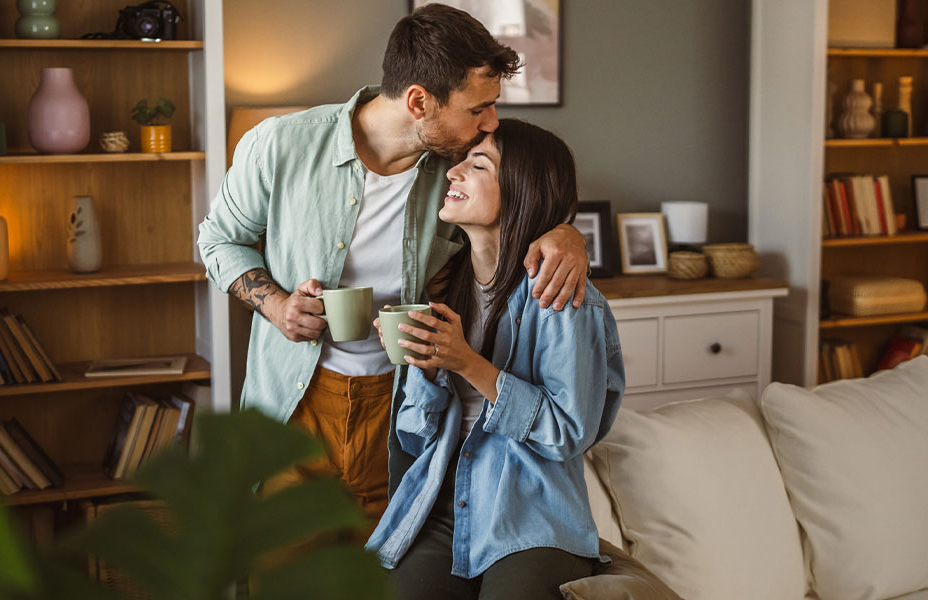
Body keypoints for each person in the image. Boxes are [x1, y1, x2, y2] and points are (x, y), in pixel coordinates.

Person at [196, 3, 589, 527]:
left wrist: (566, 231)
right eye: (478, 108)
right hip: (293, 403)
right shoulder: (279, 145)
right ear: (419, 100)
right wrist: (275, 305)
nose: (490, 122)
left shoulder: (456, 172)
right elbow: (219, 239)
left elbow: (522, 198)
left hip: (405, 408)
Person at [367, 120, 625, 599]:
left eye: (477, 164)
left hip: (531, 514)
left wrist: (468, 364)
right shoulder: (443, 287)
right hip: (441, 504)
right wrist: (425, 369)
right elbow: (414, 433)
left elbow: (567, 432)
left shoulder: (561, 294)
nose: (453, 173)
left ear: (522, 190)